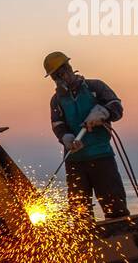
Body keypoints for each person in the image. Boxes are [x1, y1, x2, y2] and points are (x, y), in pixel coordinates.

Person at [45, 51, 128, 218]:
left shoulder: (95, 87)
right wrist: (67, 138)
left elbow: (117, 107)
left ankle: (123, 236)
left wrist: (103, 112)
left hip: (101, 156)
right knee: (79, 211)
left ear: (69, 68)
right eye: (56, 76)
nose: (61, 78)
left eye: (62, 72)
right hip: (75, 160)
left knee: (114, 205)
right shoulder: (56, 100)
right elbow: (58, 125)